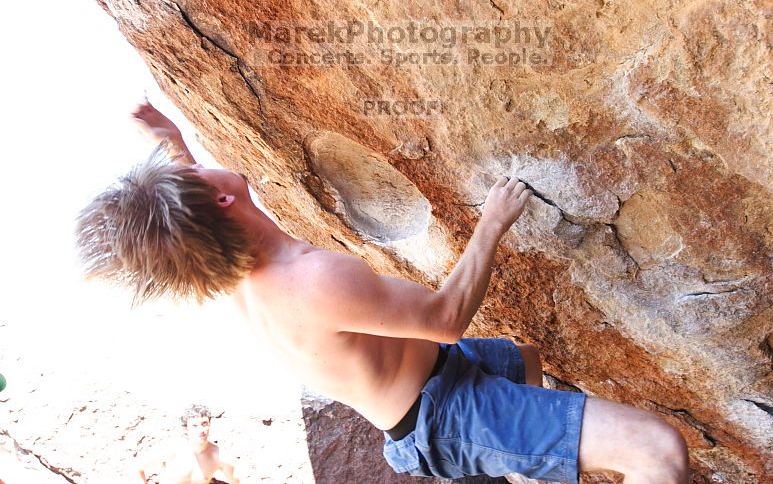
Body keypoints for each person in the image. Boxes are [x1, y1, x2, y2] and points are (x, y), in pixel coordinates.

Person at [79, 101, 689, 484]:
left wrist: (168, 135)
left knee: (525, 359)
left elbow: (190, 187)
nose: (190, 165)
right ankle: (519, 450)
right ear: (221, 201)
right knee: (657, 451)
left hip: (437, 389)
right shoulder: (313, 279)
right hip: (448, 417)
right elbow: (447, 316)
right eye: (189, 174)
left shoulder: (229, 269)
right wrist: (492, 222)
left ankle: (525, 461)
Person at [136, 404, 239, 484]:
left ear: (209, 424)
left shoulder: (218, 456)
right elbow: (138, 468)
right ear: (186, 428)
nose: (201, 430)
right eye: (194, 425)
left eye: (204, 424)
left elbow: (237, 481)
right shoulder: (170, 450)